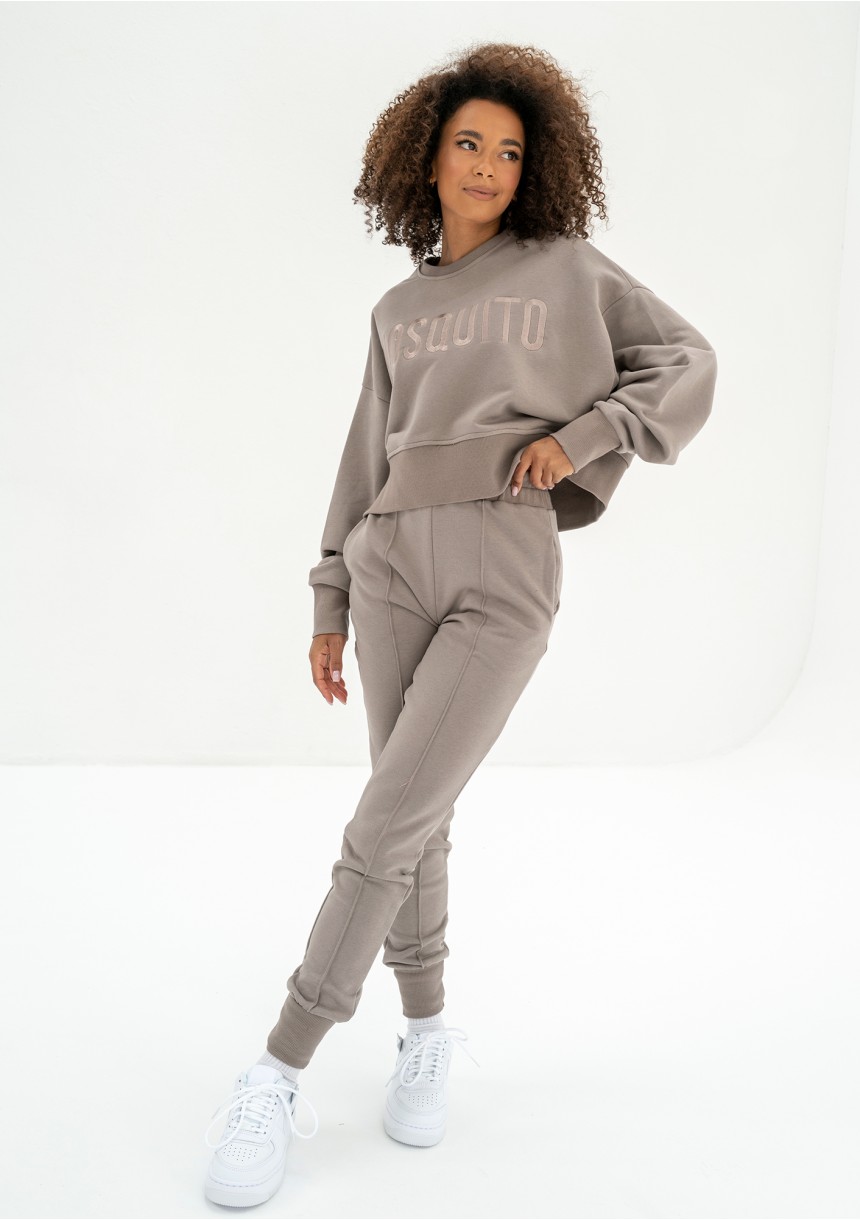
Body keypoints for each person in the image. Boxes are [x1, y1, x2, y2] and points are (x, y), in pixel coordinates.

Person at [203, 39, 718, 1207]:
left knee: (382, 822)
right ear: (425, 159)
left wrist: (585, 437)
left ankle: (277, 1068)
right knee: (412, 817)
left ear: (535, 169)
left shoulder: (566, 269)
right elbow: (363, 455)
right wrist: (329, 591)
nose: (487, 164)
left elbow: (685, 359)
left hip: (501, 560)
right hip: (387, 563)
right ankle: (427, 1026)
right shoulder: (396, 308)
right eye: (467, 143)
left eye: (509, 150)